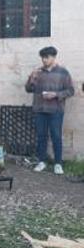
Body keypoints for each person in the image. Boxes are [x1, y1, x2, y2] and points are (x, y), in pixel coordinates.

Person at [25, 46, 75, 175]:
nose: (44, 60)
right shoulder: (38, 72)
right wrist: (32, 77)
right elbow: (28, 89)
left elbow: (71, 91)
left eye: (46, 57)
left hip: (56, 110)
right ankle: (42, 161)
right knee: (41, 136)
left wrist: (56, 95)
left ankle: (58, 164)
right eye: (42, 57)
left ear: (53, 57)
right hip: (40, 109)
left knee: (56, 136)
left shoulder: (63, 72)